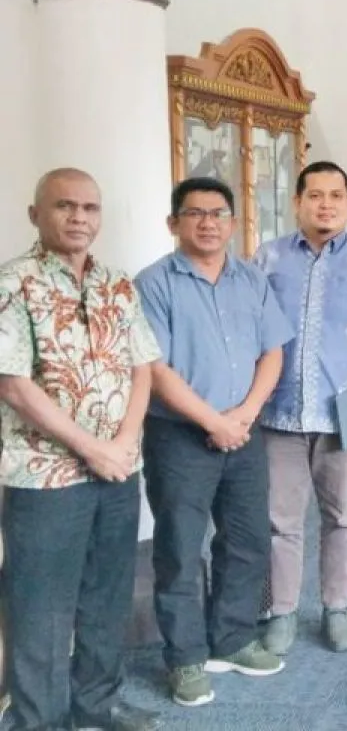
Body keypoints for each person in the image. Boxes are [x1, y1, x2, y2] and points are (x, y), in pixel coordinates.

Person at [0, 168, 162, 731]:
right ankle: (40, 719)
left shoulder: (117, 283)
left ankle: (97, 703)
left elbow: (143, 368)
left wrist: (124, 442)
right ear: (35, 214)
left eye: (89, 208)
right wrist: (92, 448)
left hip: (118, 469)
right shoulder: (13, 282)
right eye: (64, 206)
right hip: (45, 476)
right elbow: (13, 385)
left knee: (107, 593)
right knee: (41, 606)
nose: (78, 218)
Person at [135, 176, 294, 708]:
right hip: (179, 435)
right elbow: (155, 369)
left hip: (243, 430)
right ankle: (185, 657)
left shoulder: (250, 279)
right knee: (180, 548)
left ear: (233, 222)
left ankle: (232, 638)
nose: (208, 223)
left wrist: (243, 415)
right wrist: (212, 421)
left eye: (218, 213)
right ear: (173, 222)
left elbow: (272, 351)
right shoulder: (154, 283)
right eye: (195, 213)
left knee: (247, 540)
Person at [253, 161, 347, 655]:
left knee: (341, 515)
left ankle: (336, 608)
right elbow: (253, 334)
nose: (326, 204)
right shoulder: (268, 259)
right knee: (281, 520)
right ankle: (282, 612)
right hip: (280, 413)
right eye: (315, 195)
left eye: (336, 195)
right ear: (297, 202)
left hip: (346, 415)